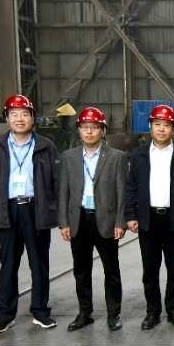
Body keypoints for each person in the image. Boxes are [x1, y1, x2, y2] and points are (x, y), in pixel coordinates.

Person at [0, 93, 60, 333]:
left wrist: (53, 210)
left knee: (39, 264)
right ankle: (5, 315)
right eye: (14, 115)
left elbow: (57, 181)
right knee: (8, 265)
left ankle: (40, 312)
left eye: (25, 114)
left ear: (32, 117)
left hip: (36, 210)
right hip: (8, 210)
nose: (20, 119)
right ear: (7, 118)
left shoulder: (46, 146)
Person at [125, 104, 174, 330]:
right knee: (150, 270)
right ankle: (152, 312)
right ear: (150, 127)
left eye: (167, 125)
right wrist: (131, 215)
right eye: (157, 124)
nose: (162, 129)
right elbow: (131, 187)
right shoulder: (138, 155)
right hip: (148, 219)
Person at [57, 106, 127, 332]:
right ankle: (84, 313)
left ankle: (113, 314)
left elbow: (122, 192)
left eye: (94, 127)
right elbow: (63, 192)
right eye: (85, 127)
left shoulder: (116, 157)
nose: (89, 132)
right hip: (79, 220)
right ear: (79, 130)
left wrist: (120, 222)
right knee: (81, 270)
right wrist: (64, 222)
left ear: (102, 130)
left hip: (105, 220)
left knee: (111, 270)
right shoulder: (69, 157)